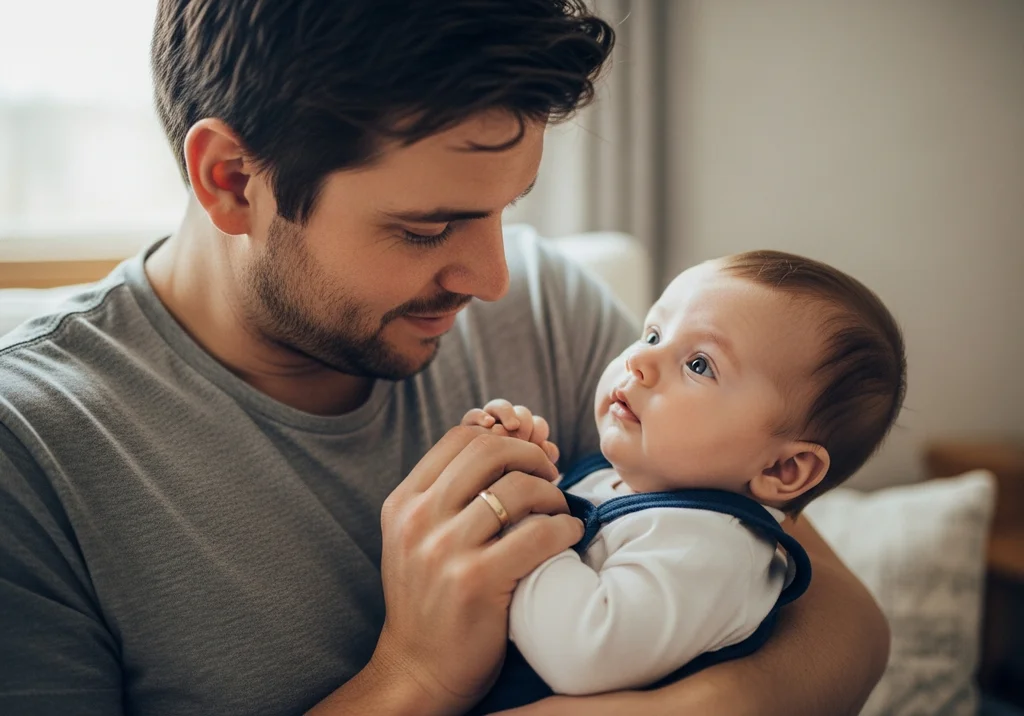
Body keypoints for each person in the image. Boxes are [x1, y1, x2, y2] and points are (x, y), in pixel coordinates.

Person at [0, 2, 890, 715]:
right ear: (233, 179)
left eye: (508, 210)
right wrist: (415, 677)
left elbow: (844, 628)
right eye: (427, 227)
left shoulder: (550, 303)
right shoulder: (31, 455)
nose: (493, 277)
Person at [461, 250, 906, 712]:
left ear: (782, 470)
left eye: (699, 365)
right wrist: (520, 468)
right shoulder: (616, 480)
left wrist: (525, 515)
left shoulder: (711, 550)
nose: (641, 360)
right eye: (652, 333)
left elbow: (583, 650)